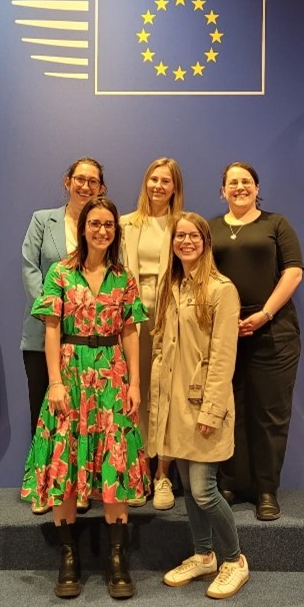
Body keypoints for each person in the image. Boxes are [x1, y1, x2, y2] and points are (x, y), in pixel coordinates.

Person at [21, 196, 150, 600]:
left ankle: (117, 560)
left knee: (115, 459)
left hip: (112, 374)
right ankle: (69, 558)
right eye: (95, 223)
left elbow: (131, 331)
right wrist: (55, 382)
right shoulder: (61, 272)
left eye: (108, 225)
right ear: (83, 228)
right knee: (66, 458)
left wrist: (134, 384)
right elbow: (52, 329)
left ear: (115, 230)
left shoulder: (124, 277)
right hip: (71, 374)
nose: (101, 230)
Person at [149, 212, 250, 599]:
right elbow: (162, 345)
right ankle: (203, 554)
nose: (185, 242)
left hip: (204, 404)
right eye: (180, 236)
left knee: (205, 490)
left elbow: (223, 357)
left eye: (193, 236)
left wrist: (210, 410)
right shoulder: (171, 286)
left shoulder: (222, 290)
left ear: (206, 242)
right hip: (174, 405)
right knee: (189, 491)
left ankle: (234, 559)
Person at [208, 162, 304, 521]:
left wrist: (263, 314)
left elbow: (293, 272)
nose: (239, 187)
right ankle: (232, 483)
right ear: (223, 191)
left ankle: (266, 489)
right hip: (224, 331)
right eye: (232, 183)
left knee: (269, 414)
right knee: (229, 411)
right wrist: (223, 319)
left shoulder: (276, 224)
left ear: (257, 187)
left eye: (246, 181)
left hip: (273, 330)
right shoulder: (211, 228)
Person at [20, 157, 105, 515]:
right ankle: (45, 487)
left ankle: (81, 486)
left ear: (101, 188)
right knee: (46, 412)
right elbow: (30, 267)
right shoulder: (43, 220)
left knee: (84, 417)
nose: (85, 186)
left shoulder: (103, 226)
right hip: (44, 335)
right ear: (67, 181)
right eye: (79, 179)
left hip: (88, 344)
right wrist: (57, 310)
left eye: (93, 181)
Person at [119, 157, 184, 510]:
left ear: (175, 187)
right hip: (130, 322)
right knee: (135, 395)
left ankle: (162, 476)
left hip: (169, 319)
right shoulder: (124, 224)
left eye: (166, 181)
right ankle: (137, 472)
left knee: (166, 395)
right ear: (146, 182)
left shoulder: (183, 225)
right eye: (153, 179)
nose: (158, 186)